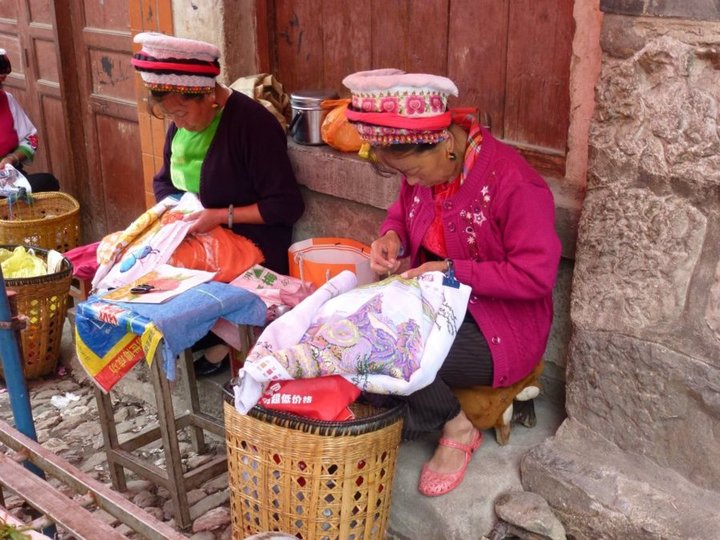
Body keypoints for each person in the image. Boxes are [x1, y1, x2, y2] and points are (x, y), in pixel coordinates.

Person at [343, 68, 561, 496]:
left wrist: (454, 271)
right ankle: (418, 406)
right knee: (356, 328)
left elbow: (536, 275)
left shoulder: (515, 184)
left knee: (394, 352)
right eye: (400, 174)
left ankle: (458, 427)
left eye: (412, 171)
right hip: (441, 306)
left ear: (444, 143)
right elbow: (403, 210)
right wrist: (392, 236)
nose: (410, 183)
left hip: (500, 327)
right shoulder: (428, 173)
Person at [131, 33, 305, 376]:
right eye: (170, 116)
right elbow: (164, 180)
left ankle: (218, 342)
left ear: (208, 95)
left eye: (181, 112)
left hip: (251, 243)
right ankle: (199, 340)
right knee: (136, 261)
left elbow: (286, 206)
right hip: (198, 233)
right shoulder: (181, 124)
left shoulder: (253, 126)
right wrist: (177, 212)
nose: (177, 122)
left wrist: (218, 216)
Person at [0, 49, 60, 192]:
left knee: (47, 182)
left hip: (8, 178)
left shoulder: (7, 100)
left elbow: (30, 138)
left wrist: (12, 158)